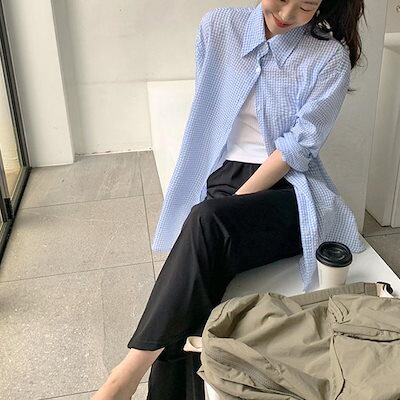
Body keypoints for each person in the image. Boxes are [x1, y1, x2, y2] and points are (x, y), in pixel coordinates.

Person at [92, 0, 367, 399]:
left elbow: (297, 149)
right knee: (194, 291)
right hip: (224, 178)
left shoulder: (329, 57)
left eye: (306, 6)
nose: (288, 13)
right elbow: (209, 109)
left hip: (289, 190)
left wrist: (232, 206)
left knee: (207, 223)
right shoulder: (219, 27)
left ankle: (126, 373)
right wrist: (220, 201)